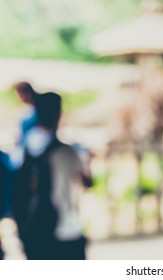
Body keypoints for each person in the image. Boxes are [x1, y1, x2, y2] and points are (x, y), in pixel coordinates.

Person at [13, 92, 93, 260]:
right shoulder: (66, 152)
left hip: (34, 231)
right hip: (65, 231)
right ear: (58, 114)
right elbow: (87, 181)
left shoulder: (22, 150)